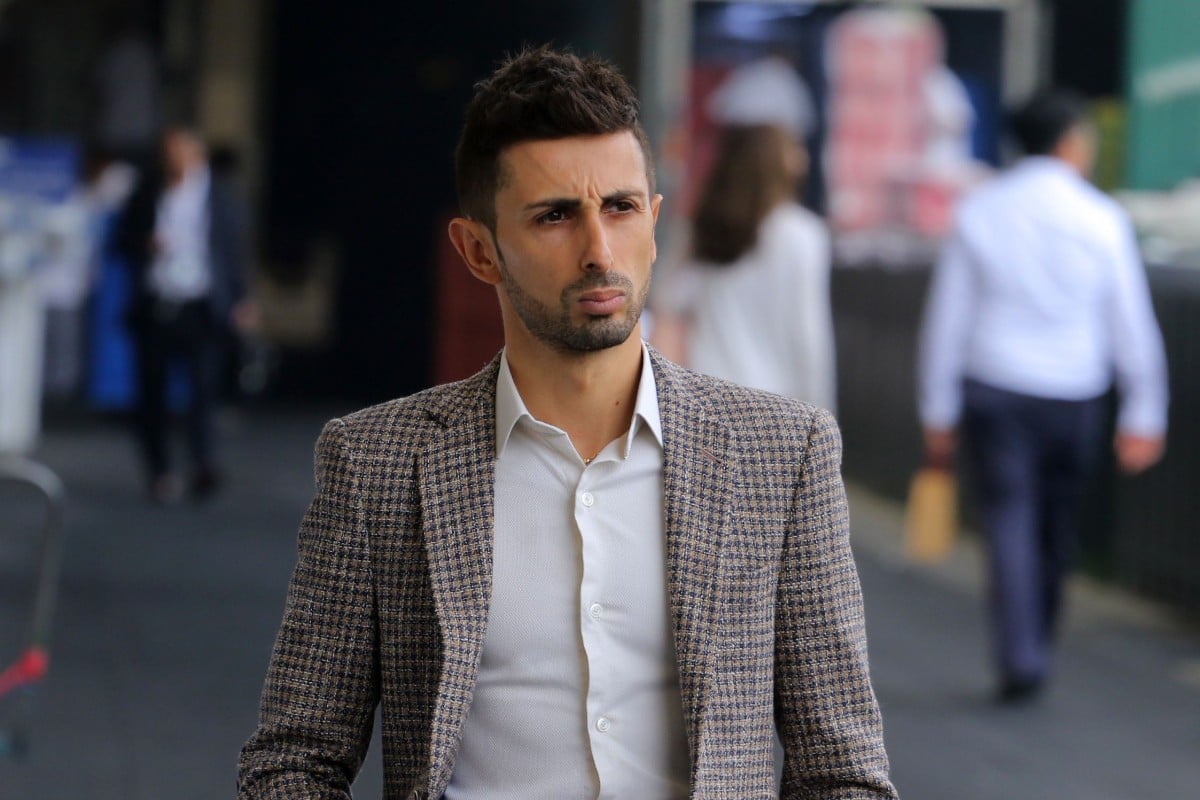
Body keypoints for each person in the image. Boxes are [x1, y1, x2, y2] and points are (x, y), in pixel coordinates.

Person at [238, 46, 896, 799]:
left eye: (619, 208)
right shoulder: (377, 464)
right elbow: (292, 761)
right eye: (555, 216)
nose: (597, 250)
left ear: (653, 222)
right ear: (478, 251)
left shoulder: (782, 455)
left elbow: (842, 774)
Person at [917, 88, 1168, 703]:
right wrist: (1144, 411)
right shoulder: (1102, 218)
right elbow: (1130, 321)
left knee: (1009, 518)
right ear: (1069, 142)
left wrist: (937, 409)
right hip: (1075, 393)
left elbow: (948, 319)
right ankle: (1038, 634)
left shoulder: (981, 210)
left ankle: (1019, 649)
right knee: (1058, 525)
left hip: (994, 386)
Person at [654, 57, 835, 411]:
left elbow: (667, 313)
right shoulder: (803, 236)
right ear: (779, 154)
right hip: (774, 422)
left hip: (705, 414)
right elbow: (810, 345)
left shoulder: (701, 229)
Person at [117, 126, 251, 502]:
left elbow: (235, 251)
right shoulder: (146, 192)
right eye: (167, 154)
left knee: (202, 390)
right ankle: (159, 470)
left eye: (180, 154)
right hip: (157, 304)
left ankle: (203, 462)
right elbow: (120, 242)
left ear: (197, 157)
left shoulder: (220, 196)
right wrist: (145, 243)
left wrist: (242, 299)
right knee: (152, 393)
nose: (172, 162)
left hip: (202, 306)